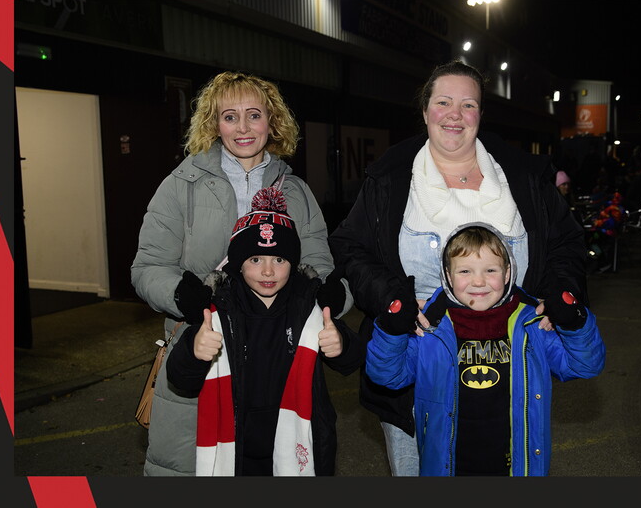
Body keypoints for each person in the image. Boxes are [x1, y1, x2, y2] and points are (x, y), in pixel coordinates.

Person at [328, 60, 588, 476]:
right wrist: (392, 301)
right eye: (443, 102)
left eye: (468, 105)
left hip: (508, 370)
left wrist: (558, 297)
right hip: (415, 366)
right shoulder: (391, 177)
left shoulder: (523, 175)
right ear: (425, 110)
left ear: (480, 114)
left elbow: (567, 243)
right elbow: (349, 246)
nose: (455, 114)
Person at [130, 70, 351, 477]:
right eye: (229, 116)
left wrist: (331, 295)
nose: (243, 128)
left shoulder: (295, 191)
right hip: (204, 345)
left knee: (275, 462)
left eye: (254, 115)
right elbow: (148, 267)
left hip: (278, 352)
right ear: (214, 124)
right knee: (194, 468)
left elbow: (319, 264)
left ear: (272, 121)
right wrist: (182, 295)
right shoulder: (182, 185)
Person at [365, 223, 605, 476]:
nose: (478, 281)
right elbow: (387, 376)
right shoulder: (430, 327)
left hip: (515, 467)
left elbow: (584, 365)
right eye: (465, 271)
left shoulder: (531, 324)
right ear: (448, 276)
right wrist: (392, 329)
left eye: (490, 270)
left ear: (507, 273)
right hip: (447, 467)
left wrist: (574, 322)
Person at [165, 187, 363, 476]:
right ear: (238, 264)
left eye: (279, 260)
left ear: (292, 263)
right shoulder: (219, 310)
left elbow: (354, 359)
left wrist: (340, 344)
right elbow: (179, 377)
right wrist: (195, 351)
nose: (268, 271)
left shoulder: (308, 306)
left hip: (300, 444)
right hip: (238, 450)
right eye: (256, 260)